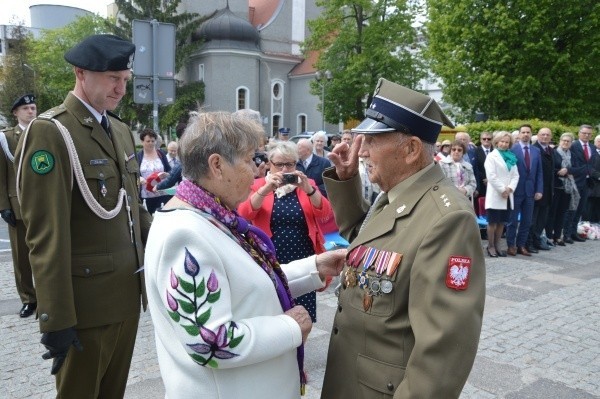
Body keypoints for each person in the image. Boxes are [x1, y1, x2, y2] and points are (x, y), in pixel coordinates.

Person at [143, 111, 345, 398]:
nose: (256, 171)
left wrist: (315, 267)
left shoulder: (210, 215)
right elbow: (211, 343)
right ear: (217, 165)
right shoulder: (185, 235)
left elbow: (246, 284)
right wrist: (290, 327)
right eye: (250, 159)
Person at [321, 78, 485, 398]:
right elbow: (366, 240)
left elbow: (442, 353)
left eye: (372, 140)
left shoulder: (447, 220)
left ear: (410, 150)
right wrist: (347, 179)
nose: (362, 150)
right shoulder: (398, 193)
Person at [14, 34, 152, 398]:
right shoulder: (52, 131)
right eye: (112, 79)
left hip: (125, 297)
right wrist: (56, 319)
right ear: (81, 73)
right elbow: (46, 234)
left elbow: (134, 211)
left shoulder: (120, 130)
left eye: (125, 79)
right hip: (85, 307)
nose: (121, 88)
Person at [238, 140, 332, 322]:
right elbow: (245, 212)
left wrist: (309, 190)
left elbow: (325, 213)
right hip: (271, 256)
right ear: (269, 164)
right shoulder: (258, 185)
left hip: (303, 255)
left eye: (289, 164)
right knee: (274, 309)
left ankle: (301, 347)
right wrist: (266, 189)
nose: (284, 170)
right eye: (279, 164)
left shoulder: (307, 184)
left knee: (302, 313)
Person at [0, 94, 37, 317]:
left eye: (33, 107)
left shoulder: (45, 133)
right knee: (22, 258)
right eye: (25, 108)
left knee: (46, 255)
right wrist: (4, 205)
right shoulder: (6, 138)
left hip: (44, 206)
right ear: (16, 113)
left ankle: (47, 297)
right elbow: (1, 175)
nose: (31, 111)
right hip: (18, 205)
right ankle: (28, 299)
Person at [506, 124, 543, 256]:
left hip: (530, 191)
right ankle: (511, 245)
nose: (526, 134)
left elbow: (539, 172)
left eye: (528, 132)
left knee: (527, 221)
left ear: (531, 134)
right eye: (523, 132)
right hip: (515, 191)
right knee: (512, 220)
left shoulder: (536, 151)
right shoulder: (511, 150)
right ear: (519, 134)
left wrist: (539, 190)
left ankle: (521, 245)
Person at [484, 131, 519, 257]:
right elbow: (491, 176)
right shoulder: (491, 156)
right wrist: (502, 189)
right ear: (497, 142)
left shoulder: (511, 156)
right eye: (502, 141)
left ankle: (498, 245)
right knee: (492, 222)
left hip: (508, 195)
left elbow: (516, 175)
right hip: (496, 194)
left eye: (507, 142)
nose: (504, 144)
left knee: (502, 222)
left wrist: (509, 189)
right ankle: (490, 246)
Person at [564, 124, 598, 241]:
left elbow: (591, 164)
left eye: (589, 134)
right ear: (579, 133)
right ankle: (566, 233)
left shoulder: (592, 147)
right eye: (584, 133)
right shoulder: (573, 146)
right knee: (571, 209)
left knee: (580, 209)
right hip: (575, 181)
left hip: (587, 182)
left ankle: (574, 232)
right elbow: (570, 164)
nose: (586, 135)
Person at [547, 133, 579, 245]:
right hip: (556, 186)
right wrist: (560, 172)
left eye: (568, 141)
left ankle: (557, 236)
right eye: (564, 140)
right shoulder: (554, 153)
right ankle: (549, 236)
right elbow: (551, 168)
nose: (565, 143)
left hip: (567, 188)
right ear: (560, 141)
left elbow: (577, 169)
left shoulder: (573, 155)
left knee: (562, 212)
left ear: (571, 143)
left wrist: (568, 170)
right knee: (552, 212)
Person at [529, 127, 554, 250]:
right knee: (533, 218)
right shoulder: (534, 149)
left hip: (548, 190)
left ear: (551, 137)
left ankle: (537, 239)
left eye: (547, 135)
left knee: (542, 219)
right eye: (542, 134)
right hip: (536, 190)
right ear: (538, 136)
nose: (545, 137)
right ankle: (529, 242)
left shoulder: (551, 150)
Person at [136, 128, 172, 214]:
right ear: (142, 141)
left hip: (162, 194)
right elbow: (134, 174)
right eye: (148, 141)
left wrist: (165, 175)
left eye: (153, 141)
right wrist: (139, 178)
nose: (151, 143)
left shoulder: (161, 153)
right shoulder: (138, 156)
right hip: (145, 196)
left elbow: (170, 171)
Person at [586, 135, 600, 223]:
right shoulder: (590, 152)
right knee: (588, 211)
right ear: (595, 142)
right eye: (599, 141)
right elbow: (589, 167)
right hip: (592, 187)